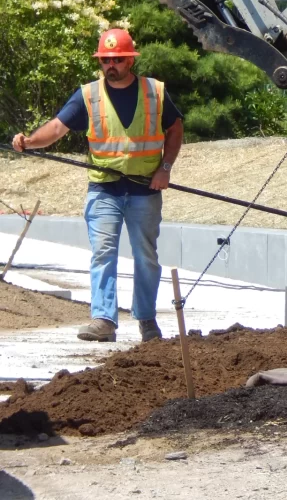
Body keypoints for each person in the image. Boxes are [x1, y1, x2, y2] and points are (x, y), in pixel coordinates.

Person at [12, 28, 184, 344]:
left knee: (146, 256)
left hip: (146, 189)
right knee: (103, 253)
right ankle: (103, 319)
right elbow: (57, 127)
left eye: (117, 59)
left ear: (130, 59)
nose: (111, 65)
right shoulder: (88, 95)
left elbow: (175, 128)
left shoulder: (153, 92)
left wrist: (166, 168)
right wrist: (30, 142)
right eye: (105, 60)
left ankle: (146, 319)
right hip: (104, 189)